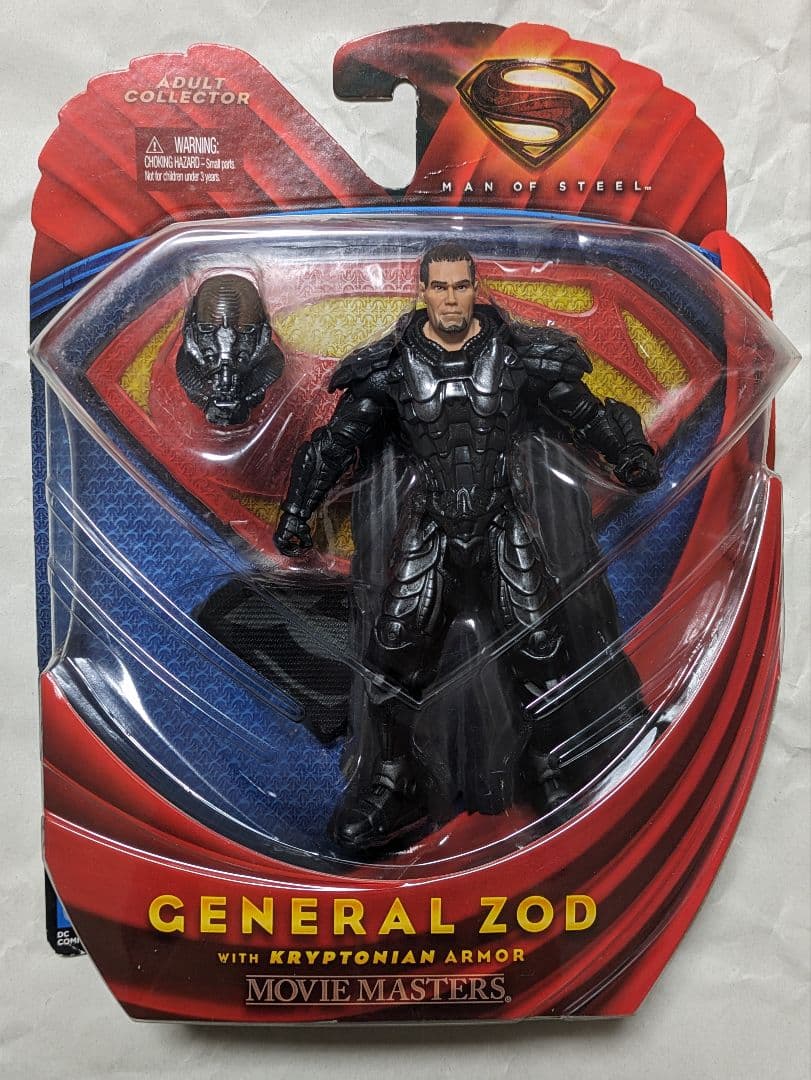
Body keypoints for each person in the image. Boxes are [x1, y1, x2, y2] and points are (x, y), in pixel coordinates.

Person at [275, 242, 659, 852]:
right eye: (440, 287)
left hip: (503, 521)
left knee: (540, 647)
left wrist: (629, 454)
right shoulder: (391, 368)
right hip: (431, 527)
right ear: (422, 291)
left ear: (476, 289)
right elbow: (336, 444)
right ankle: (394, 781)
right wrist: (298, 510)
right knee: (394, 651)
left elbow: (583, 412)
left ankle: (550, 766)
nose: (451, 299)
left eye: (461, 286)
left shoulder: (518, 356)